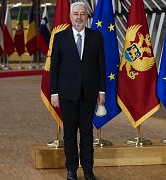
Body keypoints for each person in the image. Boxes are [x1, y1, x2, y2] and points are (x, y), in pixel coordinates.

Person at [50, 2, 105, 180]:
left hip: (89, 93)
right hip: (67, 94)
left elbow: (101, 66)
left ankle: (88, 170)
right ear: (70, 16)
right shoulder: (59, 37)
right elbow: (54, 68)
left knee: (87, 133)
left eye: (82, 14)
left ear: (86, 17)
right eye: (76, 14)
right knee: (70, 133)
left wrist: (102, 91)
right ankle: (71, 170)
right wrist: (54, 92)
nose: (79, 17)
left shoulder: (97, 37)